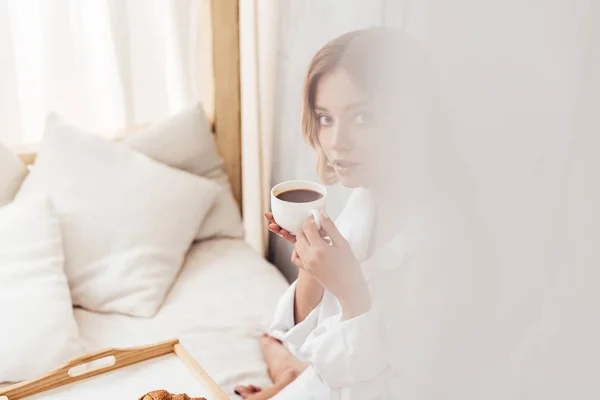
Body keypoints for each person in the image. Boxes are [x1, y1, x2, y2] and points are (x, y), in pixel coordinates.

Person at [235, 28, 503, 399]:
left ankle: (285, 375)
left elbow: (391, 384)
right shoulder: (366, 200)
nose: (336, 141)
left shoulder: (450, 248)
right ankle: (287, 377)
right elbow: (315, 341)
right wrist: (310, 264)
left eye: (362, 118)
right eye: (325, 118)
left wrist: (352, 294)